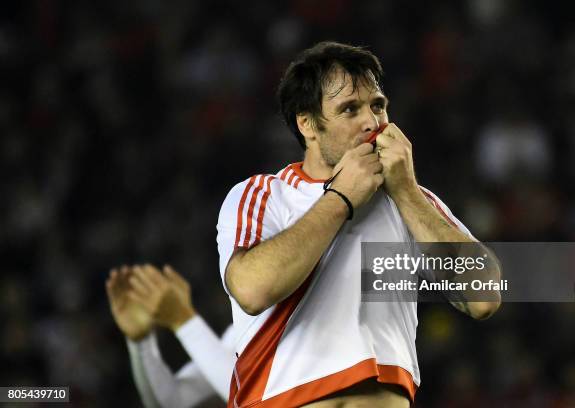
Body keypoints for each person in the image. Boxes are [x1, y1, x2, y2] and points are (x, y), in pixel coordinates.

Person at [216, 41, 502, 407]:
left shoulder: (413, 201)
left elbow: (484, 297)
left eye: (378, 105)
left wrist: (407, 193)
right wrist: (340, 199)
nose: (372, 122)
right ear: (307, 123)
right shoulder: (264, 194)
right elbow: (253, 290)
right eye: (349, 109)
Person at [106, 264, 234, 407]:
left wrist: (184, 321)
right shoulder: (237, 334)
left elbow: (253, 398)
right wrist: (142, 344)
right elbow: (173, 402)